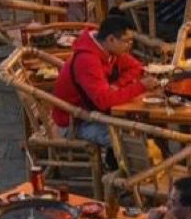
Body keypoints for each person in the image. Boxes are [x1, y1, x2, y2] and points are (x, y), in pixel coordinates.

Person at [52, 10, 147, 140]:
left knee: (144, 124)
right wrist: (141, 86)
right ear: (111, 39)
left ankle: (119, 159)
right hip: (75, 123)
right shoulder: (87, 60)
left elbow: (136, 67)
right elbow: (104, 101)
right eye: (127, 41)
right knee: (129, 139)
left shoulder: (108, 48)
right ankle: (121, 159)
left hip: (94, 111)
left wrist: (117, 85)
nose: (129, 46)